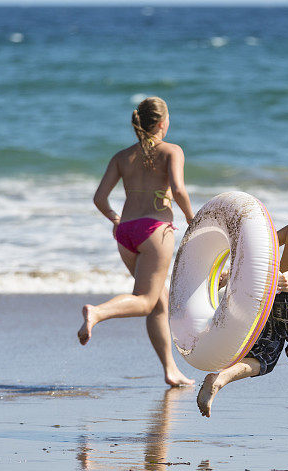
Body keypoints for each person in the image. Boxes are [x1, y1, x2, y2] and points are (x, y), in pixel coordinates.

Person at [196, 172, 288, 436]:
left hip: (272, 301)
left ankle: (220, 377)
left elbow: (261, 250)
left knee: (263, 357)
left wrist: (227, 273)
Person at [77, 96, 195, 387]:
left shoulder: (121, 157)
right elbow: (178, 190)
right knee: (145, 301)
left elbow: (99, 198)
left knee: (158, 301)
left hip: (126, 232)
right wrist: (194, 221)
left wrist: (117, 220)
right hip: (155, 231)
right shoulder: (172, 151)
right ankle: (97, 312)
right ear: (161, 123)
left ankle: (170, 370)